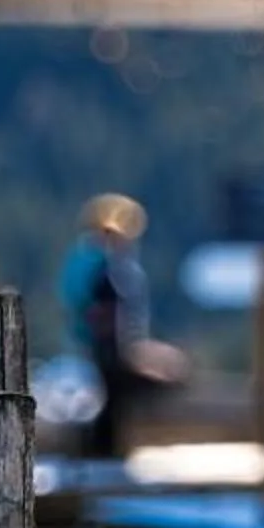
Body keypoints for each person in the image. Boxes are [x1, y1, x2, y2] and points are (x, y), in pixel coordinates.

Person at [58, 193, 186, 461]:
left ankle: (104, 452)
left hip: (100, 346)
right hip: (106, 346)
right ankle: (104, 454)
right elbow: (103, 309)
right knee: (113, 401)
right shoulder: (101, 265)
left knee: (112, 401)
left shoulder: (86, 260)